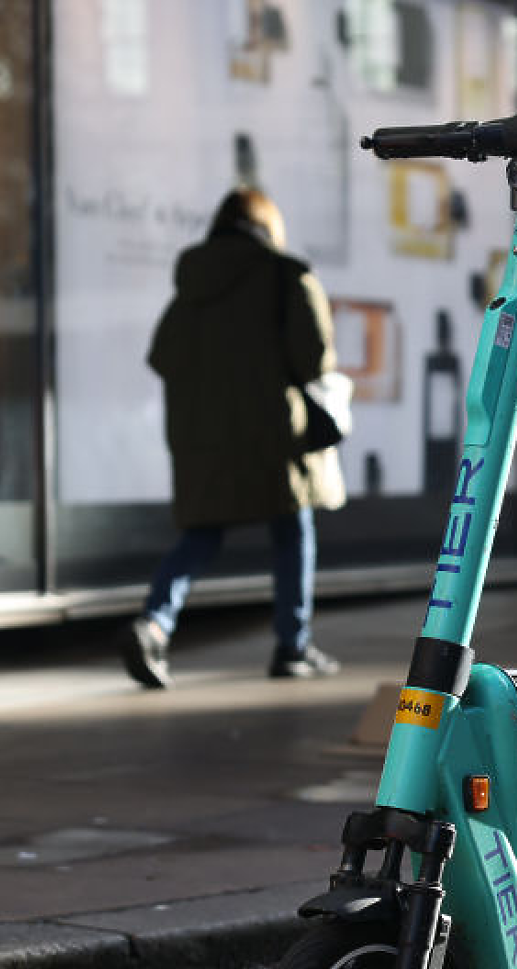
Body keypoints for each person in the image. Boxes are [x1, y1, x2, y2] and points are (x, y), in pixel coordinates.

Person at [120, 187, 346, 689]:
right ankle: (292, 646)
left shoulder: (191, 289)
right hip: (273, 432)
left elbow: (163, 357)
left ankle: (153, 623)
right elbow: (314, 360)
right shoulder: (285, 274)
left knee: (201, 535)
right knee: (291, 528)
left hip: (206, 437)